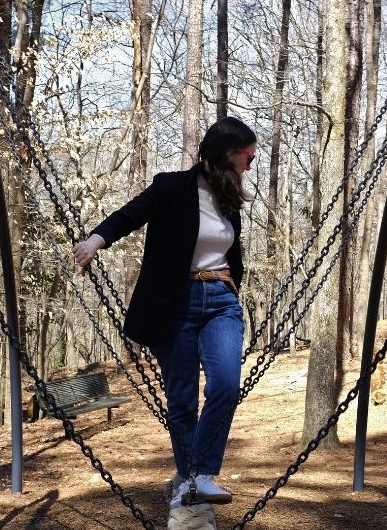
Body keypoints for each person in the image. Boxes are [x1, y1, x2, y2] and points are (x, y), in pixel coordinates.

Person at [73, 117, 255, 508]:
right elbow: (130, 214)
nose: (253, 158)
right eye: (248, 152)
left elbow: (230, 251)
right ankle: (192, 479)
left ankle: (202, 473)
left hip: (222, 298)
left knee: (225, 384)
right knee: (183, 400)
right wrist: (95, 241)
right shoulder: (172, 187)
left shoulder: (228, 197)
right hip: (177, 303)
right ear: (228, 152)